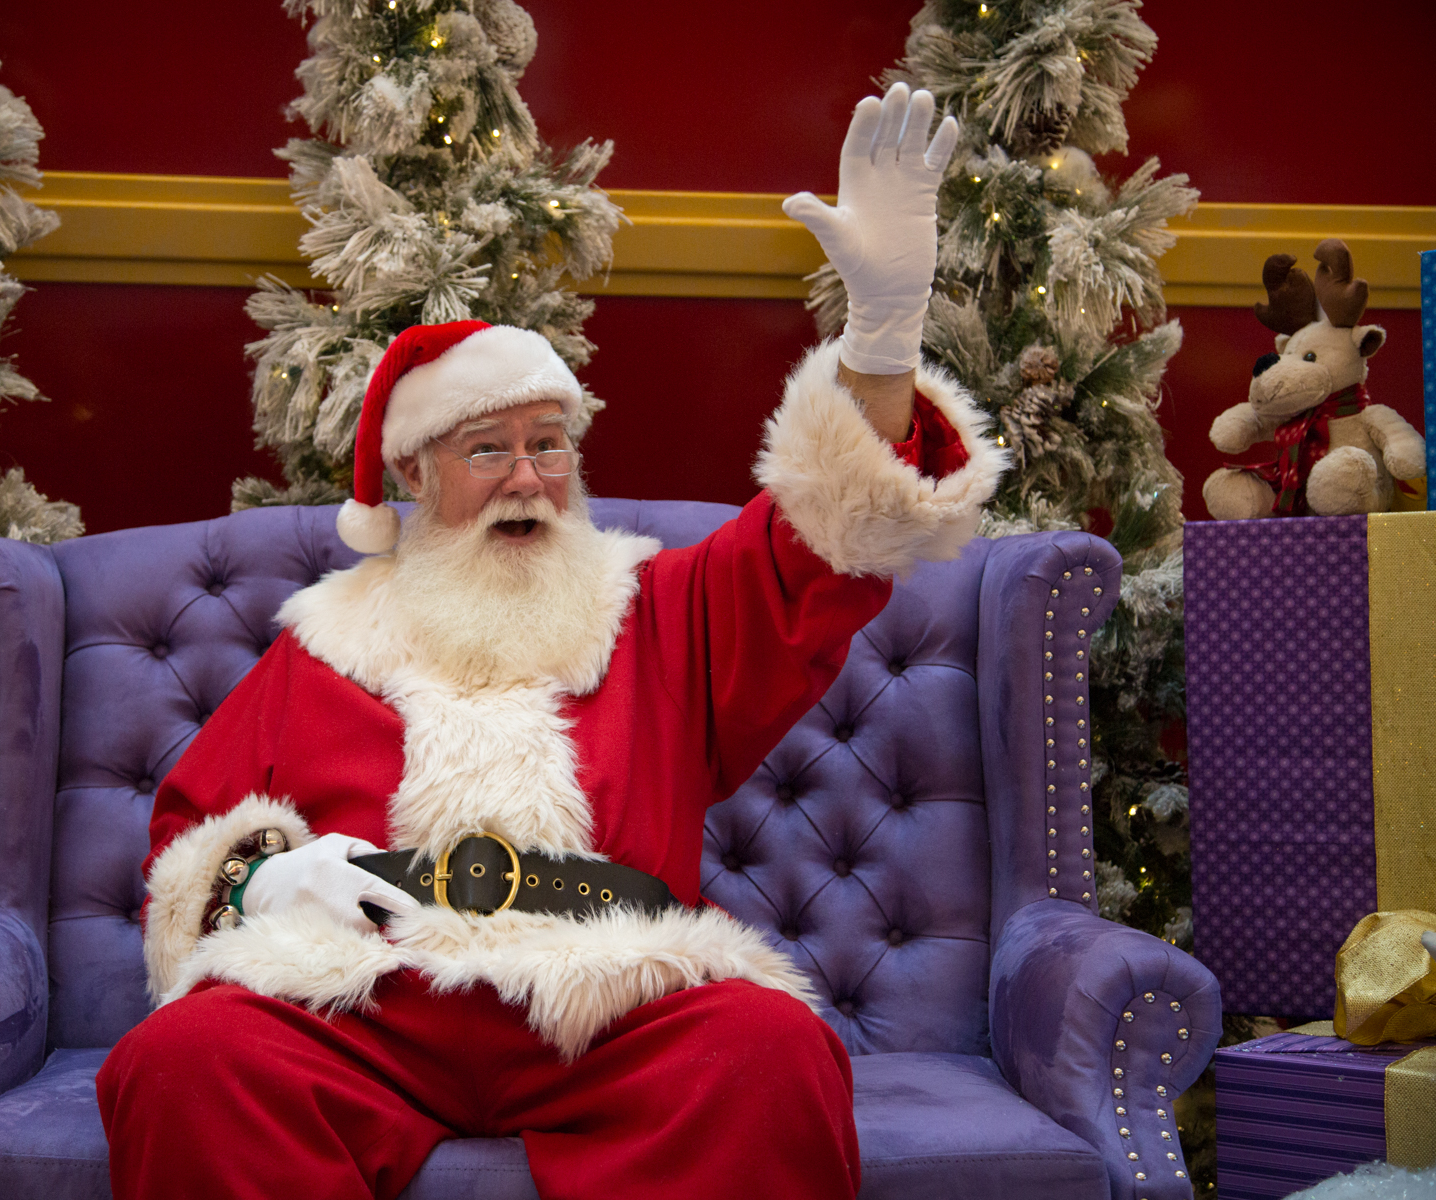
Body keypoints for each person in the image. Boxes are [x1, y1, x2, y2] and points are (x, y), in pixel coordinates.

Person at [97, 83, 1006, 1200]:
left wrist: (881, 340)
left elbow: (824, 539)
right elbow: (195, 841)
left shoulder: (663, 610)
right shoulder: (322, 647)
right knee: (186, 1063)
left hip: (608, 999)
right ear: (413, 478)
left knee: (767, 1053)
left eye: (549, 443)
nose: (528, 478)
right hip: (371, 999)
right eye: (487, 449)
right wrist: (260, 886)